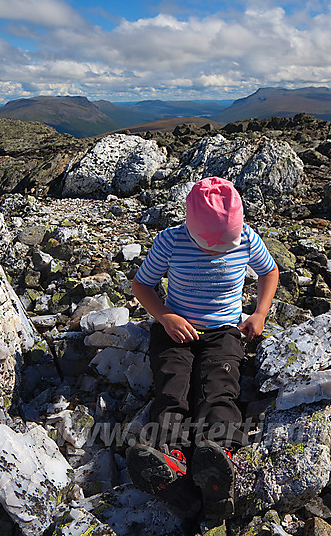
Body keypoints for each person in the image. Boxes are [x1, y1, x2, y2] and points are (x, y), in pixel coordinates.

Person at [126, 176, 278, 521]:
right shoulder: (171, 241)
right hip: (176, 329)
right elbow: (142, 285)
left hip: (224, 330)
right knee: (172, 385)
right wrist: (165, 317)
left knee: (219, 387)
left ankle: (218, 458)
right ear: (190, 227)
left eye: (225, 245)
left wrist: (259, 313)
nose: (218, 251)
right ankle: (171, 458)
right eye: (210, 245)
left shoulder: (247, 238)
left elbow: (269, 273)